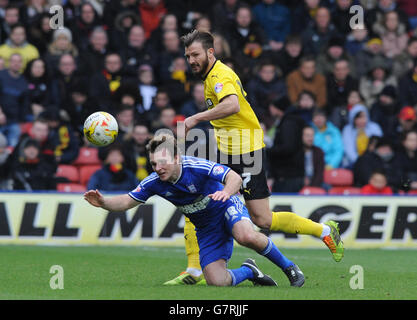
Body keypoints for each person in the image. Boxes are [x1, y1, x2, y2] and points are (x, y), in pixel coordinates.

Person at [179, 30, 343, 285]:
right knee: (198, 200)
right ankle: (194, 269)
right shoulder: (210, 76)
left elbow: (232, 104)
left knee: (262, 219)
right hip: (228, 150)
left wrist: (196, 118)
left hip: (245, 152)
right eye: (188, 55)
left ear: (210, 52)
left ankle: (324, 231)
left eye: (195, 54)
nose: (191, 60)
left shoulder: (220, 75)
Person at [84, 135, 305, 287]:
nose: (158, 168)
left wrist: (226, 193)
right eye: (153, 164)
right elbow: (127, 201)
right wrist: (104, 202)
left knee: (245, 235)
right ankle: (249, 271)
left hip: (226, 206)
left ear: (176, 158)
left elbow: (234, 177)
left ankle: (290, 268)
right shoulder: (154, 182)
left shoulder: (195, 166)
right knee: (216, 281)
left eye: (162, 162)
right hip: (206, 227)